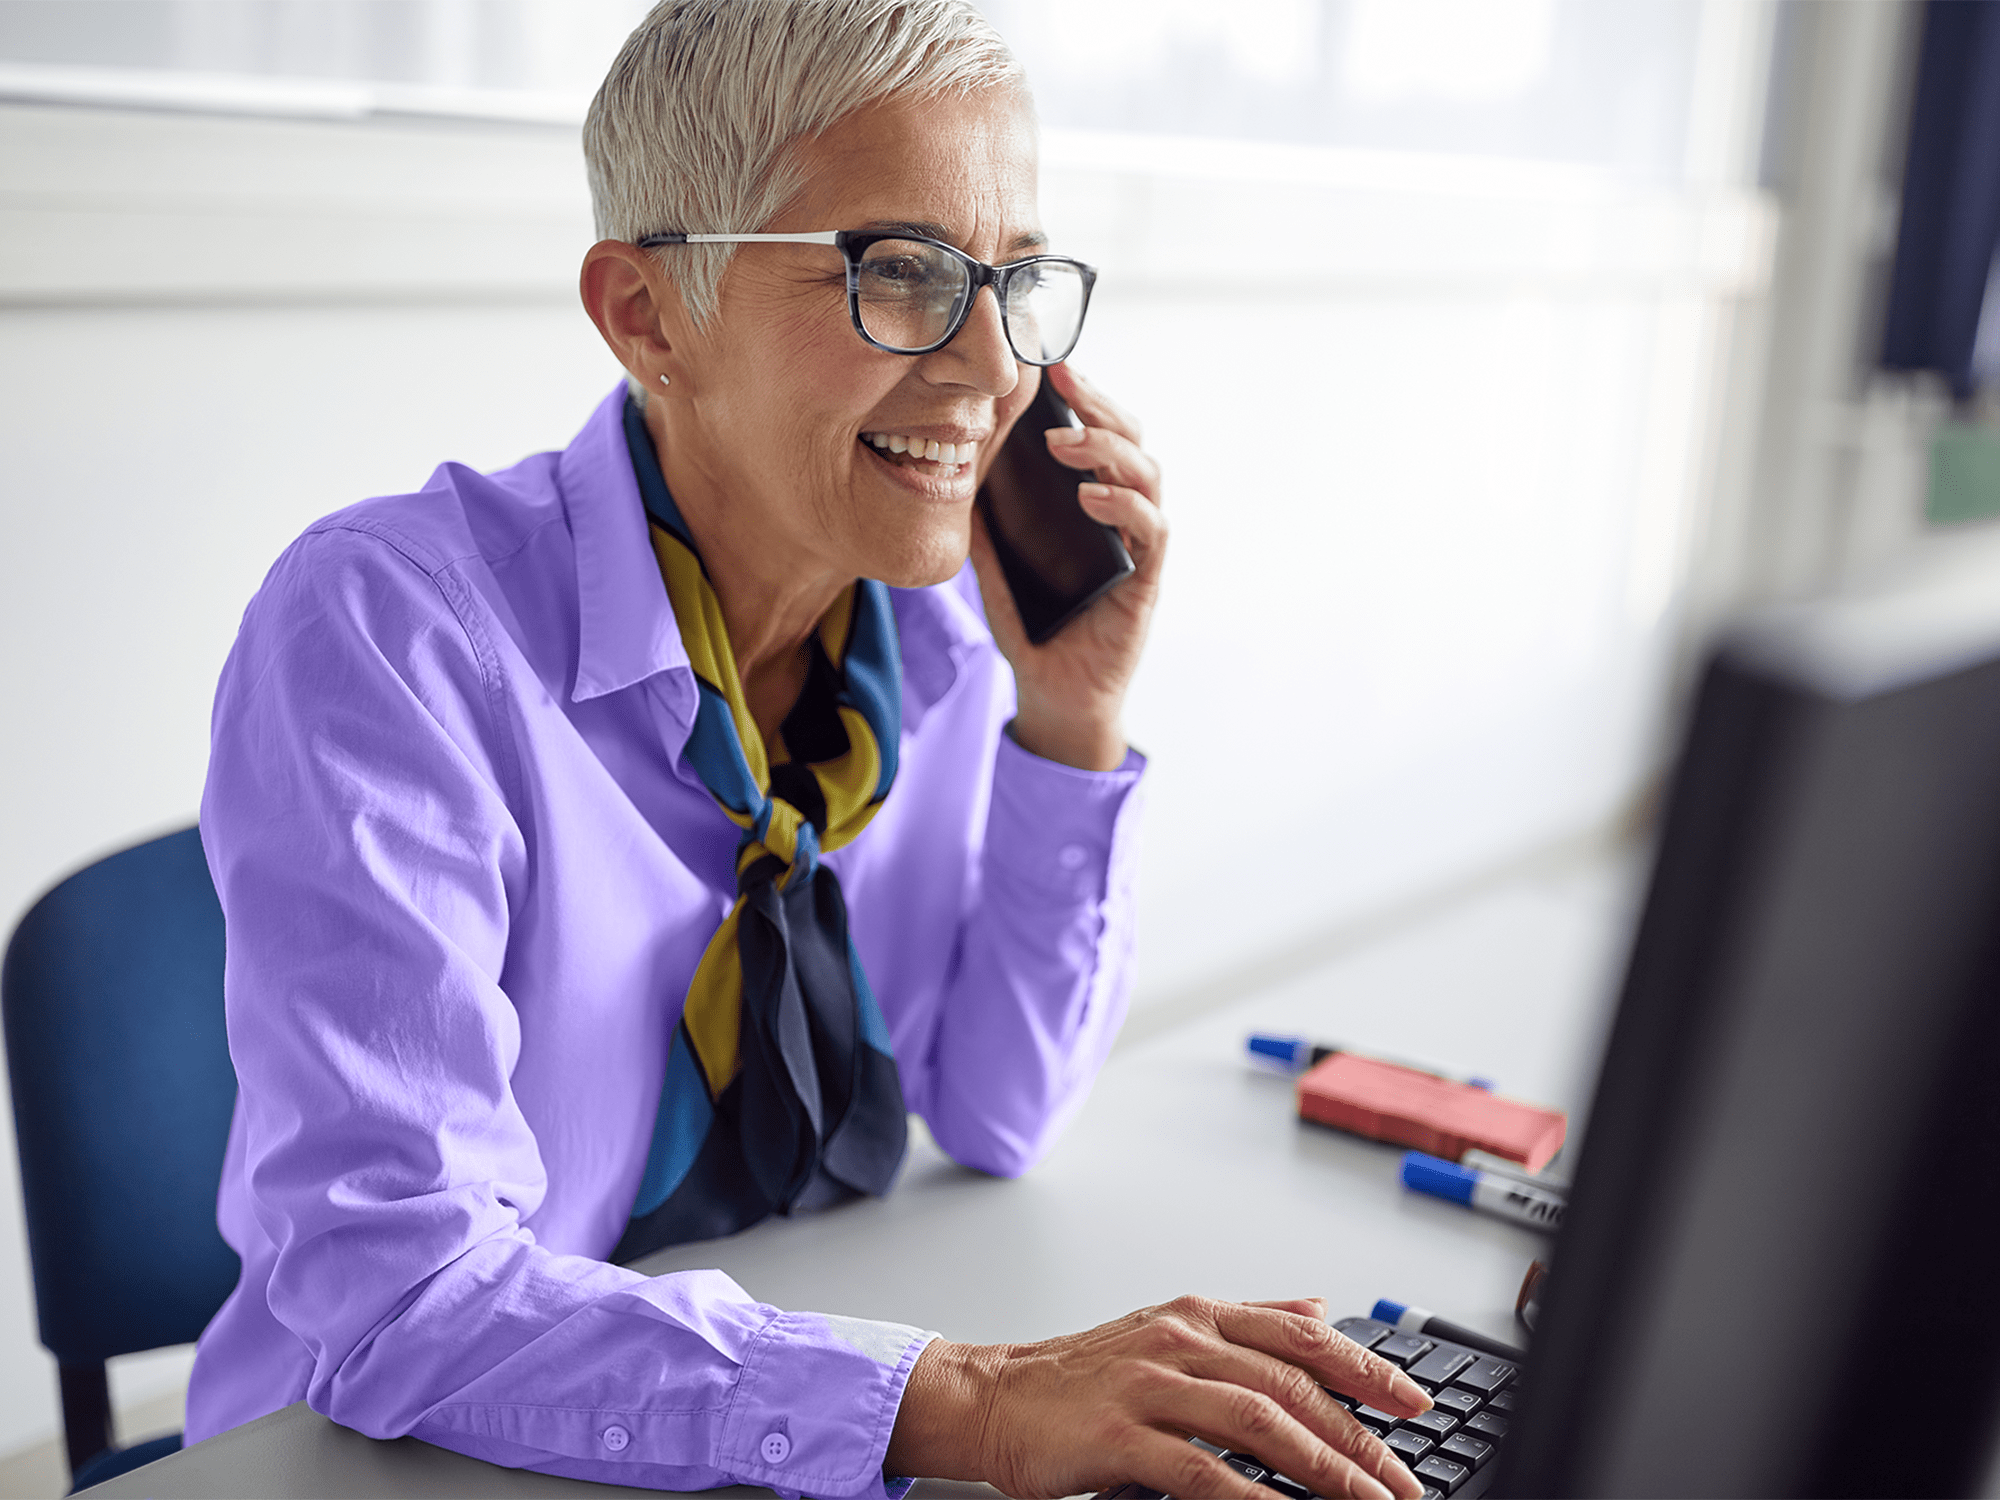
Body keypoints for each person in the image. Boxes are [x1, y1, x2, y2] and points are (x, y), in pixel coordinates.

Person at [185, 3, 1430, 1497]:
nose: (989, 368)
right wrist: (963, 1399)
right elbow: (403, 1303)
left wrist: (1072, 723)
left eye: (1014, 280)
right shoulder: (392, 637)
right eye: (899, 272)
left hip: (761, 1430)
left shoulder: (946, 638)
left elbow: (997, 1109)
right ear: (649, 314)